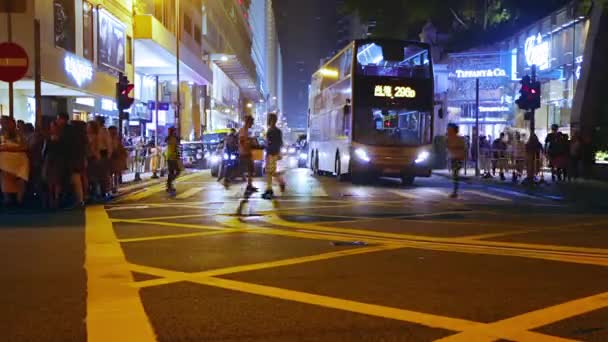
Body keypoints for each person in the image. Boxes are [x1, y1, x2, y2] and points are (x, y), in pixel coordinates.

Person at [0, 117, 29, 207]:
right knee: (6, 180)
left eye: (5, 123)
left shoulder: (19, 133)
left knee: (20, 180)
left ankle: (19, 200)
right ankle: (7, 199)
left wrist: (9, 148)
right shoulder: (1, 133)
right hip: (6, 162)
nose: (3, 125)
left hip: (20, 161)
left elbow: (25, 146)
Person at [262, 113, 286, 200]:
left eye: (269, 119)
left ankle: (275, 186)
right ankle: (269, 189)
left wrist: (267, 147)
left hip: (271, 153)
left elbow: (269, 142)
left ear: (271, 120)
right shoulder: (277, 131)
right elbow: (280, 143)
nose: (268, 121)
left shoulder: (271, 130)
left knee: (270, 172)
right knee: (270, 171)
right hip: (273, 153)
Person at [43, 121, 63, 209]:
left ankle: (55, 199)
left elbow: (44, 151)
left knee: (56, 181)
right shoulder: (49, 138)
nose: (52, 128)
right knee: (52, 181)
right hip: (51, 161)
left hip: (55, 161)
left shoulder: (52, 139)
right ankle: (53, 199)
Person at [446, 123, 465, 198]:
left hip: (458, 158)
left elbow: (463, 149)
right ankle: (455, 191)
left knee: (455, 175)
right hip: (453, 158)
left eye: (449, 129)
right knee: (455, 175)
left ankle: (455, 192)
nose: (448, 130)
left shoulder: (459, 139)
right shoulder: (448, 138)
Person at [239, 116, 257, 192]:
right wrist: (249, 142)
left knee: (251, 170)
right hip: (244, 153)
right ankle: (227, 180)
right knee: (248, 169)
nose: (252, 124)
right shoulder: (243, 130)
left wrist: (251, 141)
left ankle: (249, 185)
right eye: (251, 123)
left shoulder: (246, 130)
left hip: (247, 152)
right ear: (248, 122)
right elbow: (242, 141)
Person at [96, 116, 113, 199]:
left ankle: (106, 191)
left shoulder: (104, 131)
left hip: (103, 154)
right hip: (97, 154)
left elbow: (108, 144)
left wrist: (108, 154)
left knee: (104, 174)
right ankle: (101, 191)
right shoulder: (97, 131)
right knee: (99, 174)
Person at [109, 126, 127, 194]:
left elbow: (122, 150)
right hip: (111, 158)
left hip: (115, 159)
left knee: (114, 174)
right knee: (112, 174)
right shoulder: (111, 140)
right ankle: (113, 187)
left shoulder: (117, 141)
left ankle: (114, 187)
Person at [165, 127, 180, 195]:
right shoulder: (171, 138)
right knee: (176, 171)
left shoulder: (171, 138)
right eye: (175, 131)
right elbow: (174, 148)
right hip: (171, 157)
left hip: (171, 157)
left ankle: (169, 184)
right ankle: (169, 184)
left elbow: (176, 147)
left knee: (172, 172)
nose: (176, 132)